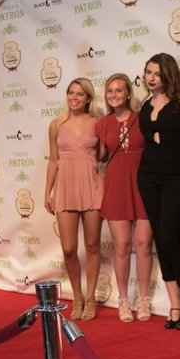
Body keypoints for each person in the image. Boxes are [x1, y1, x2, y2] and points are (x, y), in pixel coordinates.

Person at [137, 53, 180, 328]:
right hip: (147, 176)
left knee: (170, 238)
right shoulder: (145, 105)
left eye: (157, 74)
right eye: (148, 72)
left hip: (175, 176)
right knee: (160, 241)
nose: (151, 78)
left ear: (168, 75)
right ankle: (175, 303)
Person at [44, 78, 104, 319]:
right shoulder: (56, 125)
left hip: (92, 184)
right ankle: (77, 295)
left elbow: (104, 155)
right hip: (66, 186)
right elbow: (53, 160)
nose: (74, 97)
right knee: (69, 248)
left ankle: (91, 298)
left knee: (92, 244)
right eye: (71, 92)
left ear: (88, 98)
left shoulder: (98, 123)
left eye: (80, 94)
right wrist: (47, 191)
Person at [95, 73, 153, 322]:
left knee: (144, 245)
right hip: (116, 187)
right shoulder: (102, 123)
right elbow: (100, 156)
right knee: (121, 246)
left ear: (129, 93)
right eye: (110, 91)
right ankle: (123, 300)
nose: (114, 94)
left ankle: (144, 298)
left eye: (119, 90)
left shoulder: (142, 118)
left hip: (143, 186)